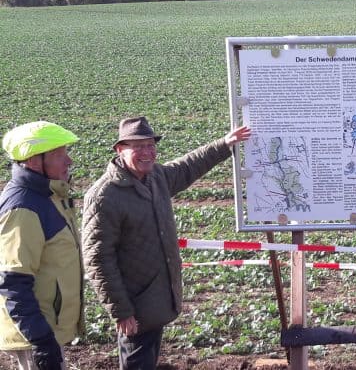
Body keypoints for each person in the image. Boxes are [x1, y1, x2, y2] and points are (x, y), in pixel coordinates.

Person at [81, 116, 251, 370]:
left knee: (146, 359)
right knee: (136, 362)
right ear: (120, 150)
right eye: (138, 147)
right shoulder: (105, 196)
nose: (147, 153)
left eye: (150, 145)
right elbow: (98, 259)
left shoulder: (155, 177)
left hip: (156, 297)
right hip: (135, 305)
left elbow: (188, 167)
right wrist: (121, 310)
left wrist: (224, 144)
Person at [0, 121, 83, 370]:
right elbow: (13, 280)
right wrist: (41, 341)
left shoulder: (48, 195)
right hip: (35, 335)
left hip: (46, 328)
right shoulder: (23, 208)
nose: (68, 161)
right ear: (35, 161)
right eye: (60, 155)